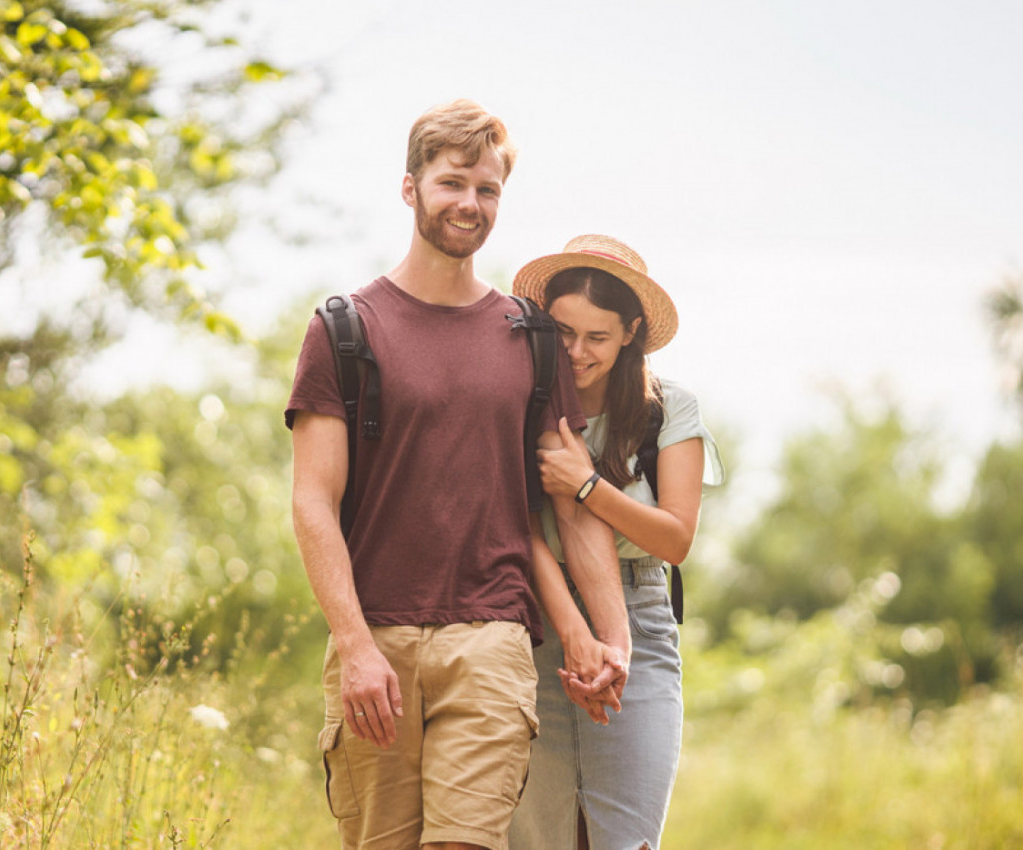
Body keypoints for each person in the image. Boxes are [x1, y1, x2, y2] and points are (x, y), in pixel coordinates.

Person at [285, 102, 629, 850]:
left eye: (488, 189)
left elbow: (569, 506)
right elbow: (313, 500)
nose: (470, 205)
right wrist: (354, 646)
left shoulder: (532, 339)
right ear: (409, 189)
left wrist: (609, 638)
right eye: (452, 184)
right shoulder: (345, 331)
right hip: (377, 634)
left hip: (492, 638)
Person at [507, 235, 725, 850]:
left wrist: (586, 487)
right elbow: (519, 531)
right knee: (538, 839)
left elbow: (676, 538)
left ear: (631, 333)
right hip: (536, 624)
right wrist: (574, 626)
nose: (576, 353)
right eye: (563, 333)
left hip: (640, 618)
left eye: (597, 338)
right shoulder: (522, 403)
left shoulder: (668, 411)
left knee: (625, 839)